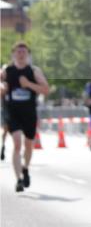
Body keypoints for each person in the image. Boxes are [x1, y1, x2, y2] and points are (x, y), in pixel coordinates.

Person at [1, 43, 50, 192]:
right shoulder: (6, 71)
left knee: (29, 145)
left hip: (29, 113)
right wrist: (2, 89)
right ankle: (19, 180)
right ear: (13, 54)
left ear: (28, 54)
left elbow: (46, 90)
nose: (21, 54)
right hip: (13, 112)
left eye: (24, 52)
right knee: (17, 144)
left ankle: (25, 168)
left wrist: (28, 84)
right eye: (18, 51)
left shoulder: (34, 71)